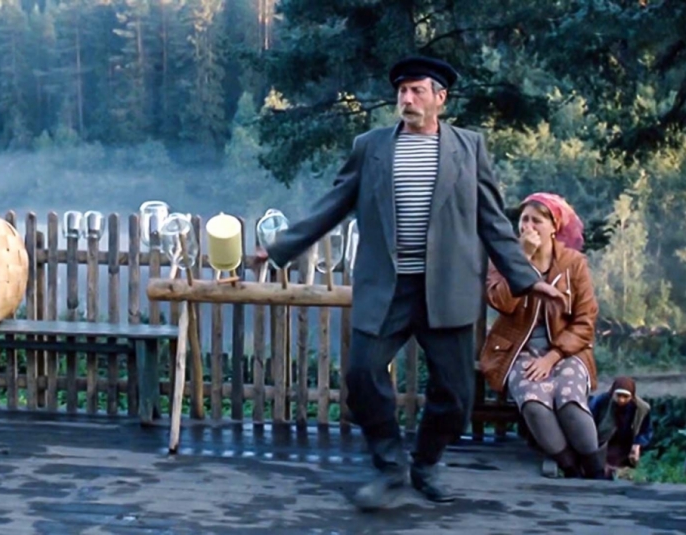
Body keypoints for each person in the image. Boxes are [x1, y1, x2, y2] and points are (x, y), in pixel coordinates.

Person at [253, 55, 565, 511]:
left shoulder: (468, 148)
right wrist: (281, 247)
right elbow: (333, 204)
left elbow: (493, 221)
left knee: (455, 394)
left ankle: (427, 462)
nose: (407, 98)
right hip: (388, 286)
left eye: (418, 90)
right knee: (361, 374)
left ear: (440, 98)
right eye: (402, 91)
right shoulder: (371, 147)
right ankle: (390, 467)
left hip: (447, 287)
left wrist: (525, 277)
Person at [480, 192, 610, 479]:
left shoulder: (573, 263)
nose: (528, 226)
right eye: (524, 220)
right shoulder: (504, 260)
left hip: (566, 350)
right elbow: (501, 302)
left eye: (536, 221)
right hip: (518, 351)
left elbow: (585, 320)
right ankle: (570, 468)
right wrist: (522, 260)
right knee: (535, 405)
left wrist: (553, 356)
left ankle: (596, 471)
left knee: (569, 402)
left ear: (554, 227)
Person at [589, 376, 653, 471]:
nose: (621, 400)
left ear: (632, 396)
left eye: (626, 397)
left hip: (626, 449)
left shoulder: (641, 409)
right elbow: (589, 422)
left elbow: (646, 431)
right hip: (602, 445)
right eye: (618, 395)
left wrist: (637, 444)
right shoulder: (601, 402)